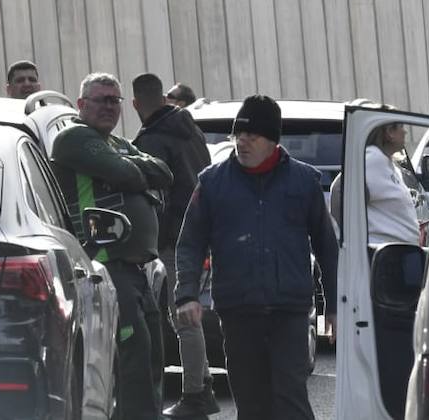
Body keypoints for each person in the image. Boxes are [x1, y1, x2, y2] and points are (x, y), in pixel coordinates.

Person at [174, 95, 337, 420]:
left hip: (288, 310)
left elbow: (326, 246)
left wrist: (333, 306)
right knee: (251, 403)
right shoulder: (212, 182)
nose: (243, 142)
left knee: (290, 400)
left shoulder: (304, 182)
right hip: (238, 311)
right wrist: (187, 294)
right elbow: (190, 243)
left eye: (252, 136)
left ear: (272, 141)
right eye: (239, 135)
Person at [52, 73, 172, 420]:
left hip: (136, 271)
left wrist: (132, 167)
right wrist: (134, 171)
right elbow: (128, 175)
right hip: (104, 267)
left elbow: (164, 172)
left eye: (114, 100)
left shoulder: (116, 143)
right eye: (101, 99)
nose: (108, 106)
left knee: (152, 355)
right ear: (81, 104)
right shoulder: (74, 139)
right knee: (131, 360)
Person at [130, 74, 218, 418]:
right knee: (188, 310)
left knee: (183, 315)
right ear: (163, 99)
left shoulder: (152, 140)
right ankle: (204, 386)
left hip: (175, 237)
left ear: (136, 104)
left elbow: (154, 194)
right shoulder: (190, 128)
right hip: (202, 229)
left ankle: (195, 394)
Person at [329, 122, 421, 247]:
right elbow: (339, 189)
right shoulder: (373, 158)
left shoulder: (386, 161)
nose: (405, 132)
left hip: (398, 252)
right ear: (389, 132)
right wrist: (351, 241)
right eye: (401, 127)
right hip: (380, 254)